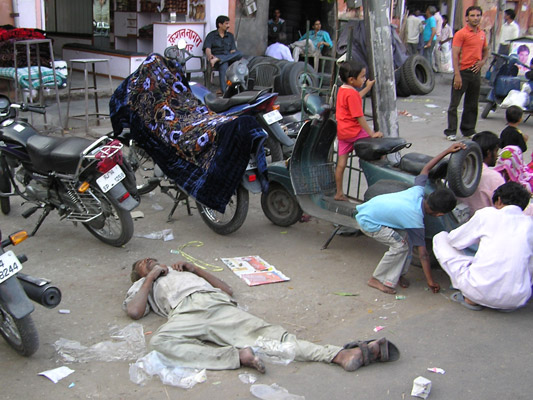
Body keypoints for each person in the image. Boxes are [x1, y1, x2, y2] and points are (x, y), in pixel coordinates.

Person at [123, 258, 400, 372]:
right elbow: (135, 312)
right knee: (159, 342)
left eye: (151, 259)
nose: (150, 261)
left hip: (215, 304)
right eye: (143, 264)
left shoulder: (181, 271)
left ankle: (340, 354)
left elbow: (227, 290)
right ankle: (236, 356)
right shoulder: (142, 286)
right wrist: (150, 277)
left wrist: (195, 269)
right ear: (139, 274)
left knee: (272, 337)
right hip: (183, 313)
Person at [355, 143, 466, 295]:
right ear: (439, 214)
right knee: (400, 246)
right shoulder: (415, 219)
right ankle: (376, 279)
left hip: (370, 210)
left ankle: (397, 274)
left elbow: (426, 169)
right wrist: (430, 281)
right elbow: (423, 255)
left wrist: (447, 151)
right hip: (369, 222)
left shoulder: (418, 191)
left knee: (406, 242)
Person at [433, 181, 533, 311]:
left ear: (499, 200)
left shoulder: (487, 214)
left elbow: (455, 241)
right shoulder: (529, 224)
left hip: (478, 291)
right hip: (518, 298)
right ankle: (506, 300)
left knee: (441, 237)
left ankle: (470, 297)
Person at [335, 61, 383, 201]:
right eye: (362, 77)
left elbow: (356, 97)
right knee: (379, 151)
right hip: (354, 132)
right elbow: (359, 117)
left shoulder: (343, 90)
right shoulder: (352, 94)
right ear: (351, 79)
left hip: (343, 133)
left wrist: (367, 87)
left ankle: (339, 193)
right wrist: (371, 134)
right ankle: (378, 186)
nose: (364, 79)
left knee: (341, 164)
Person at [443, 6, 489, 141]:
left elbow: (486, 50)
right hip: (463, 72)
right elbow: (455, 54)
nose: (475, 18)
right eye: (472, 15)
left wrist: (482, 62)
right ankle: (451, 131)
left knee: (472, 103)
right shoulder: (461, 34)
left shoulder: (482, 34)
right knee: (454, 104)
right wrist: (457, 75)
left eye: (478, 15)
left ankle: (468, 130)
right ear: (467, 18)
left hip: (476, 73)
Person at [457, 131, 505, 215]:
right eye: (496, 151)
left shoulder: (458, 172)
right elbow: (504, 208)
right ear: (488, 153)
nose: (497, 156)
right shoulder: (494, 178)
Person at [203, 15, 243, 93]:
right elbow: (207, 48)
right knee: (224, 64)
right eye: (226, 23)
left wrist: (232, 54)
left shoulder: (230, 36)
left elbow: (233, 50)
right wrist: (209, 55)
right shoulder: (211, 35)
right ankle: (225, 91)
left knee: (240, 53)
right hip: (215, 59)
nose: (228, 26)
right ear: (220, 25)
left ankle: (219, 59)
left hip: (228, 57)